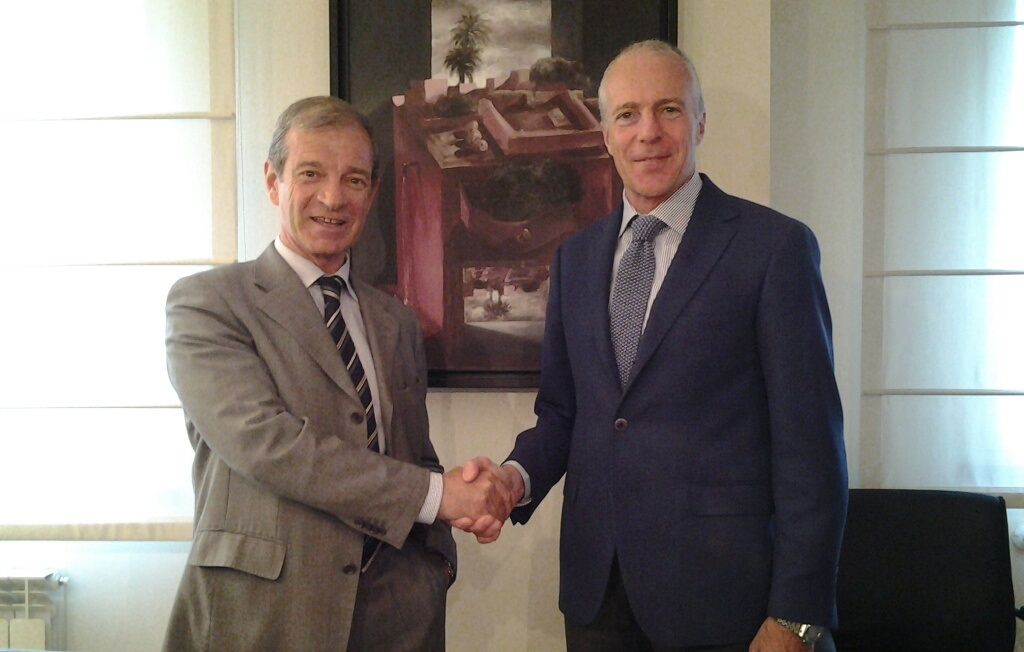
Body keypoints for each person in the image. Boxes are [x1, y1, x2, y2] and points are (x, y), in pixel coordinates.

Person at [459, 40, 848, 651]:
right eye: (627, 114)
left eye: (669, 109)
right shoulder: (576, 258)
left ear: (700, 122)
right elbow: (563, 414)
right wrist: (513, 479)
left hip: (728, 602)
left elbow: (812, 448)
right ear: (605, 134)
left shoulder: (773, 249)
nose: (648, 133)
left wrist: (798, 615)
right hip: (598, 597)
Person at [162, 96, 510, 651]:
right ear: (273, 181)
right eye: (311, 174)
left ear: (371, 193)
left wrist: (436, 561)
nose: (332, 197)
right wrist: (438, 496)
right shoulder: (208, 304)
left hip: (398, 618)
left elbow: (414, 456)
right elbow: (268, 445)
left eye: (353, 179)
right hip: (266, 616)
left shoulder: (395, 321)